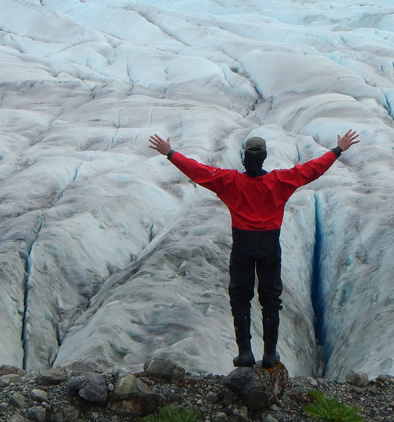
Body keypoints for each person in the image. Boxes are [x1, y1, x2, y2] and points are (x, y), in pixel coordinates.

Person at [148, 130, 360, 368]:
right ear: (265, 157)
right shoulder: (280, 181)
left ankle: (245, 353)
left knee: (240, 297)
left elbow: (198, 171)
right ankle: (270, 354)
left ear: (243, 158)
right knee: (271, 299)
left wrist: (170, 154)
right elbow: (313, 169)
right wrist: (338, 149)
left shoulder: (230, 181)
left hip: (243, 246)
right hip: (269, 246)